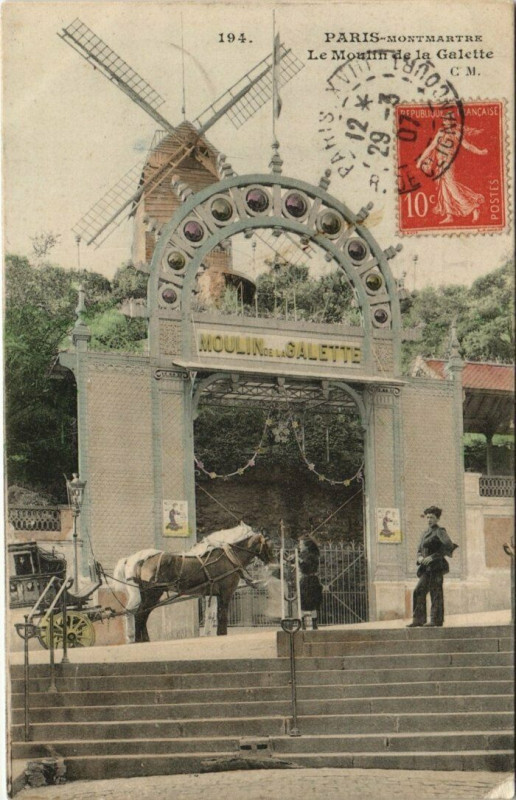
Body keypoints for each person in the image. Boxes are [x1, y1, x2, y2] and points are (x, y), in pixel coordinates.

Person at [407, 506, 458, 628]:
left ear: (437, 519)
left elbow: (449, 546)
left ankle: (436, 620)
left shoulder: (440, 531)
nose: (429, 519)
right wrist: (419, 557)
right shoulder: (424, 533)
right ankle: (418, 620)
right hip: (425, 568)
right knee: (418, 591)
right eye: (428, 517)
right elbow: (419, 550)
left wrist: (434, 557)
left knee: (436, 593)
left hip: (436, 567)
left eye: (432, 517)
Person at [298, 535, 323, 630]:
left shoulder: (311, 555)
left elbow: (306, 566)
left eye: (301, 544)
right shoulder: (305, 555)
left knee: (309, 603)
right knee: (305, 603)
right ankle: (306, 624)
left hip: (309, 580)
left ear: (306, 545)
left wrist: (298, 560)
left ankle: (312, 624)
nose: (299, 546)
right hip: (308, 580)